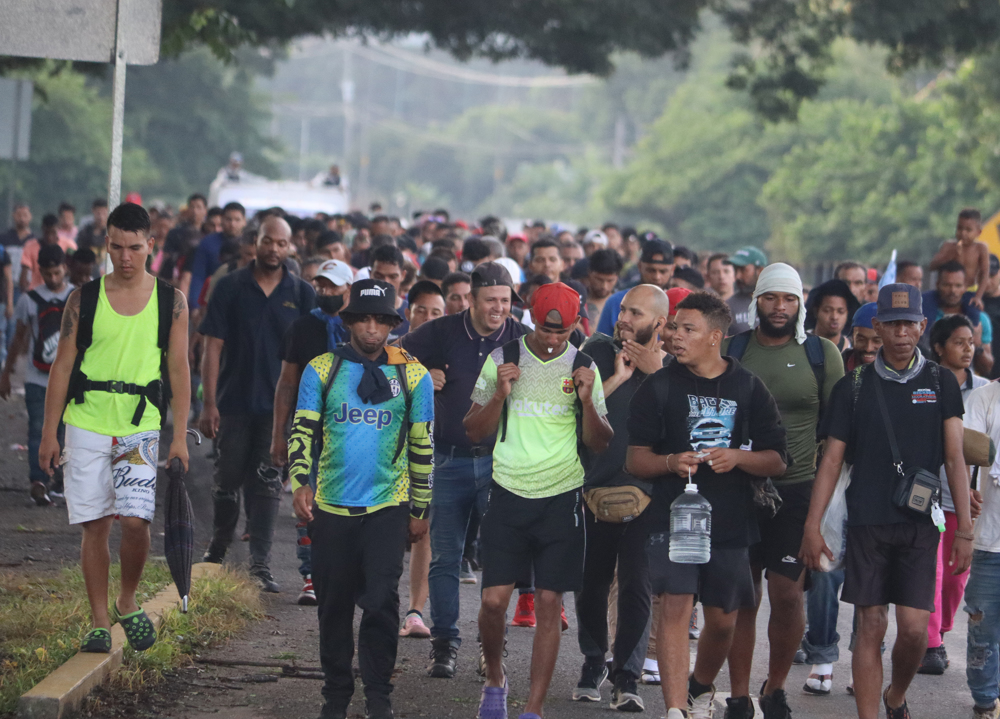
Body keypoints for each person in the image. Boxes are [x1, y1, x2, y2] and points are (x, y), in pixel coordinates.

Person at [801, 283, 973, 719]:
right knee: (871, 624)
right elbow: (832, 461)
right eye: (892, 324)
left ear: (923, 326)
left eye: (908, 324)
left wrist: (966, 532)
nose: (901, 333)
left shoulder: (940, 383)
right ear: (876, 327)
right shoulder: (853, 386)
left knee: (914, 630)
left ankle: (895, 695)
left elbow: (955, 458)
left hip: (920, 524)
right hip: (867, 520)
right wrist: (812, 525)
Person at [37, 202, 190, 654]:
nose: (126, 257)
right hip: (85, 421)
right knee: (96, 524)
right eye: (118, 247)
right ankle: (99, 620)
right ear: (106, 244)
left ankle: (127, 600)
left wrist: (180, 436)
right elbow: (62, 368)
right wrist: (48, 433)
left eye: (135, 248)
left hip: (140, 425)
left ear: (151, 246)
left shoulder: (171, 301)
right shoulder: (82, 299)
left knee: (137, 521)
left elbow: (179, 369)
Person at [626, 291, 788, 719]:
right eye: (674, 327)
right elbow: (635, 459)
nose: (675, 336)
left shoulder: (748, 387)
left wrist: (738, 458)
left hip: (731, 520)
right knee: (675, 604)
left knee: (723, 620)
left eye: (687, 329)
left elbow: (777, 459)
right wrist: (669, 462)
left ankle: (699, 686)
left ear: (715, 337)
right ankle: (676, 709)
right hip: (672, 517)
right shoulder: (658, 386)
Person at [288, 278, 433, 719]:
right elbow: (302, 430)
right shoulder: (321, 369)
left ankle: (378, 697)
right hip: (331, 508)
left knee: (382, 603)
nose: (372, 329)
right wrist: (300, 482)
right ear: (349, 321)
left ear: (392, 324)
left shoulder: (414, 375)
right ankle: (335, 697)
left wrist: (421, 507)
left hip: (389, 506)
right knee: (332, 608)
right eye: (363, 319)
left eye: (381, 320)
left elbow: (423, 444)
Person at [467, 281, 612, 719]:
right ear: (531, 318)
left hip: (561, 497)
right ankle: (495, 679)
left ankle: (533, 707)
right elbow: (473, 430)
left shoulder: (584, 365)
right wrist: (499, 394)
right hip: (508, 493)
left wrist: (587, 402)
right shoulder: (503, 358)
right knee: (493, 602)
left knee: (550, 603)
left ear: (575, 325)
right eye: (546, 330)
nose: (552, 339)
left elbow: (601, 442)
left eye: (562, 332)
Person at [721, 264, 845, 719]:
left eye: (789, 299)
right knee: (742, 595)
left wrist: (825, 507)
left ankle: (773, 688)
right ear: (757, 301)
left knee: (788, 595)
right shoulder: (733, 348)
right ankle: (738, 696)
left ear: (800, 304)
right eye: (771, 297)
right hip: (737, 487)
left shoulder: (821, 354)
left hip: (796, 490)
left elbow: (838, 433)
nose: (780, 307)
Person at [400, 262, 527, 677]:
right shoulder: (440, 332)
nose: (499, 308)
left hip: (501, 462)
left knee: (499, 557)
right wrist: (419, 374)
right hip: (446, 458)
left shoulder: (521, 339)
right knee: (445, 557)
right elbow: (390, 357)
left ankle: (493, 646)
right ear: (470, 299)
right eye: (490, 300)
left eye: (505, 301)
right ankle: (445, 644)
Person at [199, 215, 316, 592]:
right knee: (226, 480)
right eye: (268, 241)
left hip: (279, 411)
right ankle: (218, 547)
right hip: (232, 403)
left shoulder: (302, 293)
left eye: (281, 243)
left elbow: (314, 358)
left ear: (290, 247)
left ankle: (260, 565)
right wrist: (208, 403)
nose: (274, 249)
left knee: (268, 484)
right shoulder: (230, 286)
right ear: (257, 242)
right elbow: (212, 347)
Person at [573, 284, 671, 712]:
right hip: (594, 487)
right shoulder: (596, 350)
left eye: (636, 313)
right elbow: (573, 413)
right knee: (590, 583)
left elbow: (684, 421)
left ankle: (627, 677)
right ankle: (594, 660)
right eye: (624, 309)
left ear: (659, 323)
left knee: (636, 586)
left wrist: (657, 371)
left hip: (650, 494)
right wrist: (617, 378)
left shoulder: (673, 363)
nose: (624, 318)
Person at [270, 258, 353, 605]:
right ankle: (311, 575)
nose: (325, 291)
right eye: (321, 285)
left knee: (346, 504)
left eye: (333, 286)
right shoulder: (302, 328)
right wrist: (279, 434)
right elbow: (287, 383)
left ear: (348, 289)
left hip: (353, 432)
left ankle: (343, 572)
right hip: (312, 432)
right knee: (307, 503)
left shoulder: (361, 327)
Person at [917, 315, 989, 675]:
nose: (967, 349)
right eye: (959, 342)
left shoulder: (984, 391)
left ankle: (941, 632)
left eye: (971, 342)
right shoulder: (923, 385)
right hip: (928, 498)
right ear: (939, 347)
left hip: (966, 502)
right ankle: (930, 643)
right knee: (930, 573)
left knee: (955, 577)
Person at [0, 244, 73, 505]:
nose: (53, 278)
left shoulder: (77, 297)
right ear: (39, 271)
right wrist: (6, 374)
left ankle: (58, 480)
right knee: (38, 430)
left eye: (57, 273)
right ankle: (38, 482)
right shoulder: (28, 300)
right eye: (48, 274)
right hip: (36, 378)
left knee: (65, 433)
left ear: (65, 268)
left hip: (69, 380)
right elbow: (18, 339)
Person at [961, 380, 1000, 718]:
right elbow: (962, 452)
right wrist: (965, 489)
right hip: (991, 539)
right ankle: (986, 703)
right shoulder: (985, 398)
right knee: (983, 630)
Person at [921, 261, 994, 376]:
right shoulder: (925, 317)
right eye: (947, 285)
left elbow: (987, 368)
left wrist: (978, 345)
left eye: (958, 285)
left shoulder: (980, 319)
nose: (953, 291)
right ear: (937, 284)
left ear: (965, 286)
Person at [597, 239, 675, 335]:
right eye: (651, 270)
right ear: (639, 266)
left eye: (663, 271)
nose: (657, 277)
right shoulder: (617, 301)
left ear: (672, 269)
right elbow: (600, 342)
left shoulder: (678, 305)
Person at [186, 201, 246, 309]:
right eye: (228, 219)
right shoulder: (207, 243)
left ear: (244, 221)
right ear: (221, 220)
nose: (232, 224)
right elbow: (198, 276)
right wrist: (195, 306)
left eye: (237, 220)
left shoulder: (250, 244)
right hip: (212, 299)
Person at [931, 209, 990, 309]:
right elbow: (932, 266)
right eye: (959, 228)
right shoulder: (948, 246)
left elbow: (985, 274)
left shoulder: (980, 248)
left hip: (970, 290)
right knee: (928, 307)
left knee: (973, 313)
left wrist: (978, 297)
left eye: (968, 230)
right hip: (946, 291)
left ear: (978, 232)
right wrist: (950, 255)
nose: (963, 233)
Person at [20, 214, 77, 292]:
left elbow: (76, 268)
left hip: (62, 291)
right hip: (37, 292)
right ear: (42, 229)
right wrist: (26, 293)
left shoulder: (68, 245)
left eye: (53, 232)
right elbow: (24, 273)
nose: (50, 237)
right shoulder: (30, 246)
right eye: (47, 233)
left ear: (58, 229)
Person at [807, 279, 860, 352]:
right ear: (816, 311)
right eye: (827, 310)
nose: (834, 317)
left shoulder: (852, 351)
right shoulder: (800, 344)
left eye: (841, 312)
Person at [725, 246, 768, 334]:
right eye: (736, 270)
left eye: (743, 270)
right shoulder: (728, 307)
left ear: (760, 271)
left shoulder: (777, 304)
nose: (738, 276)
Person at [584, 249, 623, 323]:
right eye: (599, 280)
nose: (604, 286)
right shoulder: (577, 301)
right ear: (589, 273)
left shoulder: (623, 305)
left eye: (610, 281)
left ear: (617, 278)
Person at [843, 302, 881, 372]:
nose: (868, 349)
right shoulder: (837, 367)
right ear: (852, 338)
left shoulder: (901, 372)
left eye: (877, 341)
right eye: (861, 340)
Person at [982, 255, 1000, 380]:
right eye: (984, 276)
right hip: (980, 375)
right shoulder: (968, 304)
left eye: (992, 276)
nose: (987, 281)